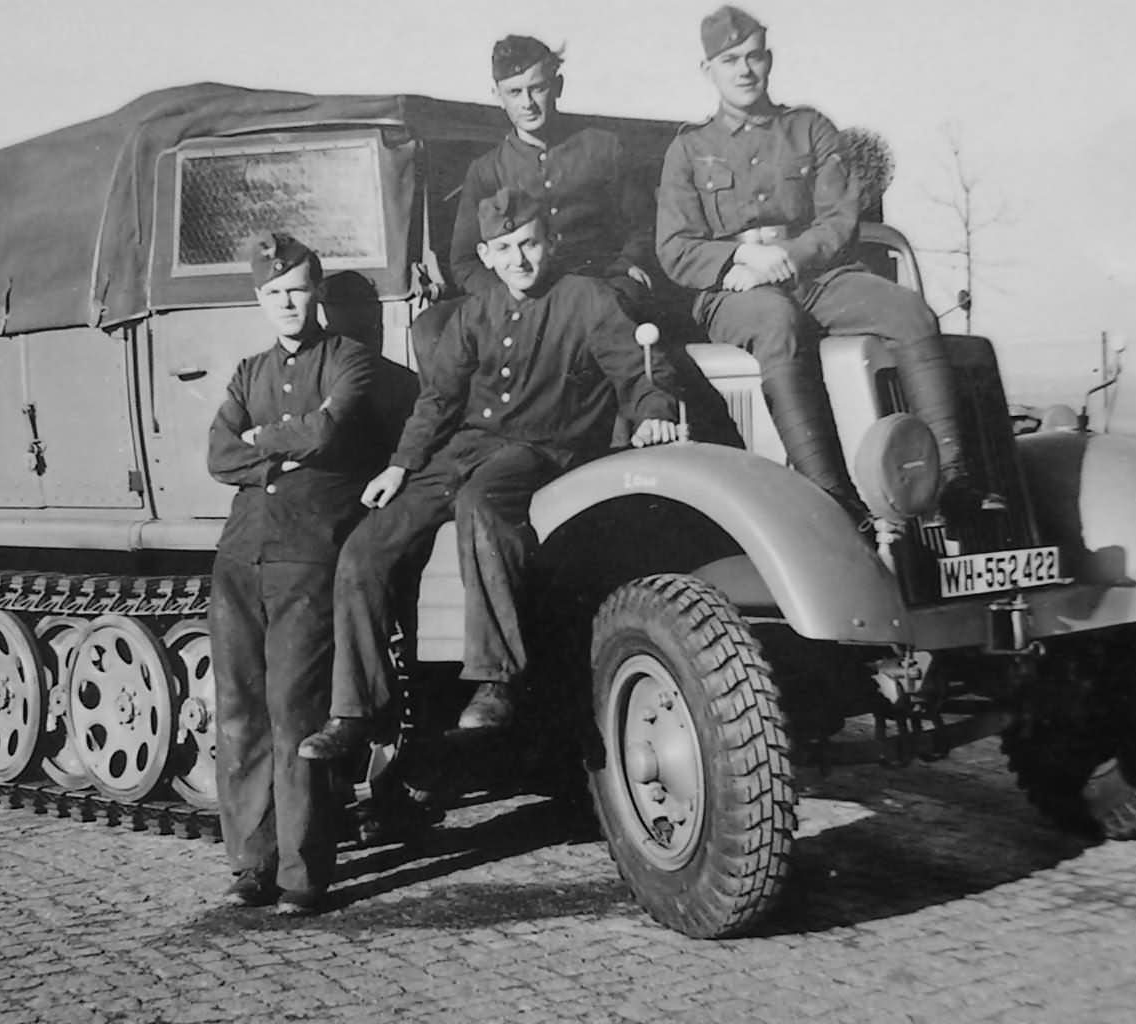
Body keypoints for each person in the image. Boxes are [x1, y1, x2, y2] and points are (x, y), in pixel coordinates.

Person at [297, 187, 682, 762]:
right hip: (462, 449)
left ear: (548, 240)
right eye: (505, 249)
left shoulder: (589, 300)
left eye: (528, 244)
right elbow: (438, 400)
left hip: (539, 448)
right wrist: (401, 466)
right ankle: (355, 711)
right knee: (366, 548)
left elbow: (639, 369)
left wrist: (653, 413)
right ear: (488, 254)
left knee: (482, 505)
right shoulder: (475, 312)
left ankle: (497, 679)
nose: (519, 260)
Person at [656, 5, 996, 521]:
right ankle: (831, 497)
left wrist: (787, 259)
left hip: (816, 276)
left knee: (911, 314)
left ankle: (952, 481)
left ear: (768, 61)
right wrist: (744, 257)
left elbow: (839, 218)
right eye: (730, 60)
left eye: (753, 57)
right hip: (734, 290)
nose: (744, 70)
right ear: (709, 71)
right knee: (775, 322)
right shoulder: (688, 150)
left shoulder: (810, 129)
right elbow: (676, 247)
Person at [206, 232, 380, 916]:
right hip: (238, 559)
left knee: (292, 713)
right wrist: (281, 449)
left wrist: (263, 442)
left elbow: (329, 432)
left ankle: (304, 874)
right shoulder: (248, 372)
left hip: (307, 557)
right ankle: (253, 862)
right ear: (259, 298)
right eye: (274, 293)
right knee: (239, 714)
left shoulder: (350, 361)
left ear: (318, 293)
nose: (287, 302)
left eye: (298, 289)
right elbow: (219, 455)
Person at [447, 34, 655, 307]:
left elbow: (644, 228)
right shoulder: (486, 171)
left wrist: (628, 264)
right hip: (524, 298)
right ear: (497, 96)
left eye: (538, 88)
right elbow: (464, 262)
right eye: (514, 92)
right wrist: (505, 298)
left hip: (600, 287)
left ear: (558, 85)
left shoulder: (603, 149)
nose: (527, 103)